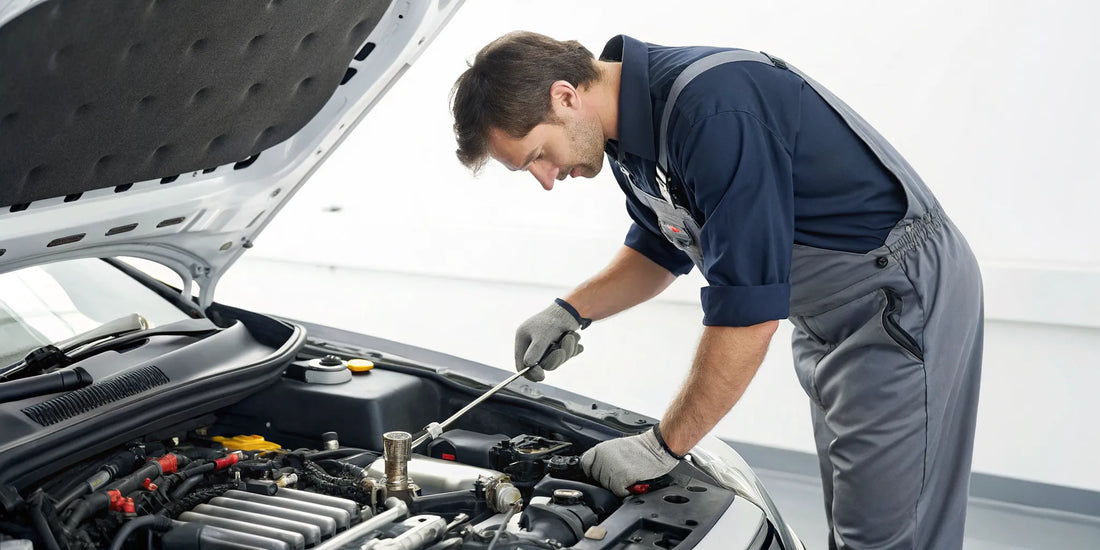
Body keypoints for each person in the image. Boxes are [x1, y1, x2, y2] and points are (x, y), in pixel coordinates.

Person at [450, 31, 983, 550]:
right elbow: (662, 246)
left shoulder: (712, 111)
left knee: (889, 535)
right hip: (827, 316)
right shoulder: (623, 134)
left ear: (565, 96)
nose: (547, 178)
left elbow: (746, 314)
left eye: (539, 154)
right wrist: (570, 311)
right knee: (858, 511)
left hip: (897, 302)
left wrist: (663, 446)